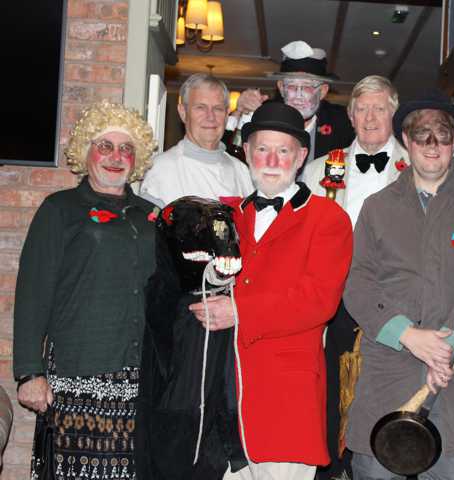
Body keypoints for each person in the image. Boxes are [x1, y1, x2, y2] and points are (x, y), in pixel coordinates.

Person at [343, 91, 454, 479]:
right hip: (388, 378)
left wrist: (448, 345)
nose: (432, 146)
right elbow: (358, 283)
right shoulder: (377, 207)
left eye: (443, 135)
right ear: (406, 140)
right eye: (422, 136)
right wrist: (408, 336)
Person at [190, 101, 353, 480]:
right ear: (246, 153)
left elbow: (319, 301)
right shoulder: (227, 217)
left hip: (287, 402)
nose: (273, 159)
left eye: (284, 150)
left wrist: (239, 310)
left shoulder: (329, 219)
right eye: (263, 148)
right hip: (223, 398)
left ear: (301, 157)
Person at [13, 100, 158, 479]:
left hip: (137, 375)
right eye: (104, 146)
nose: (116, 156)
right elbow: (32, 291)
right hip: (79, 369)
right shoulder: (59, 209)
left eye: (126, 148)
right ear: (86, 152)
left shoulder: (151, 216)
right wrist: (30, 371)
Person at [303, 74, 407, 480]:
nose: (369, 117)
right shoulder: (315, 173)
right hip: (333, 304)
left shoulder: (415, 170)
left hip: (392, 304)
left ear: (394, 114)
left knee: (383, 392)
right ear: (349, 115)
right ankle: (330, 469)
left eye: (379, 108)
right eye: (361, 109)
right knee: (329, 393)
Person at [227, 40, 354, 163]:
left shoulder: (342, 122)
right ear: (281, 88)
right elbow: (226, 154)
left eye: (307, 86)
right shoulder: (264, 116)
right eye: (292, 86)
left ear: (323, 91)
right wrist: (238, 112)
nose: (298, 95)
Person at [140, 73, 253, 207]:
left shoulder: (242, 171)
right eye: (201, 107)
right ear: (183, 112)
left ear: (227, 114)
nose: (210, 117)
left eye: (217, 109)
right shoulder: (161, 170)